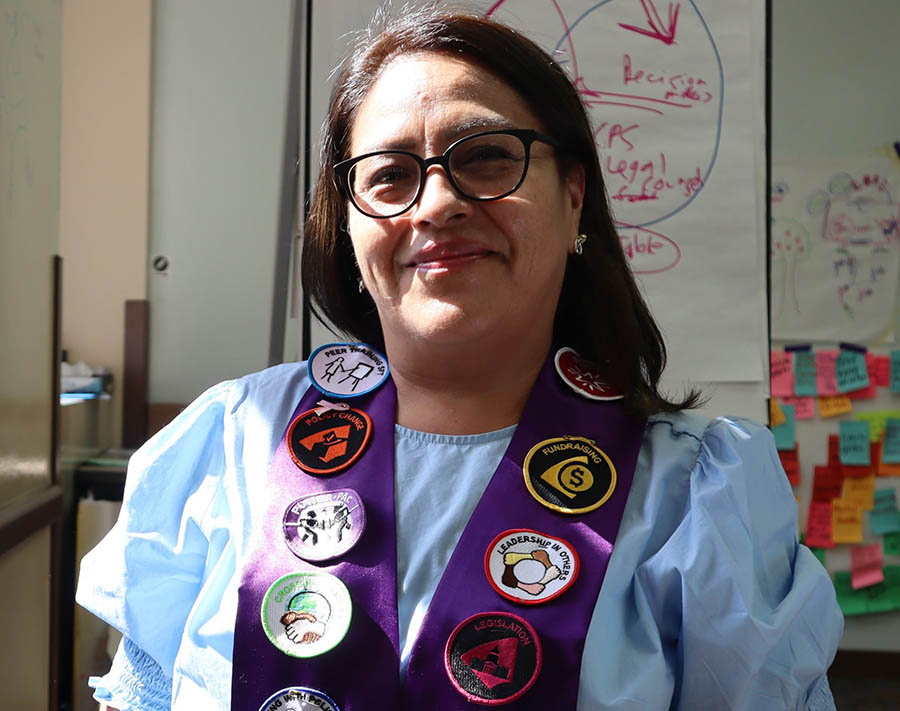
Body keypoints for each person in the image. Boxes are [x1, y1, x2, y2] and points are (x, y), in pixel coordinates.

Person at [77, 6, 843, 710]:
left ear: (574, 194)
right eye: (389, 175)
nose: (437, 203)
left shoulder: (693, 496)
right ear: (347, 229)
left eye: (484, 158)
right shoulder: (233, 440)